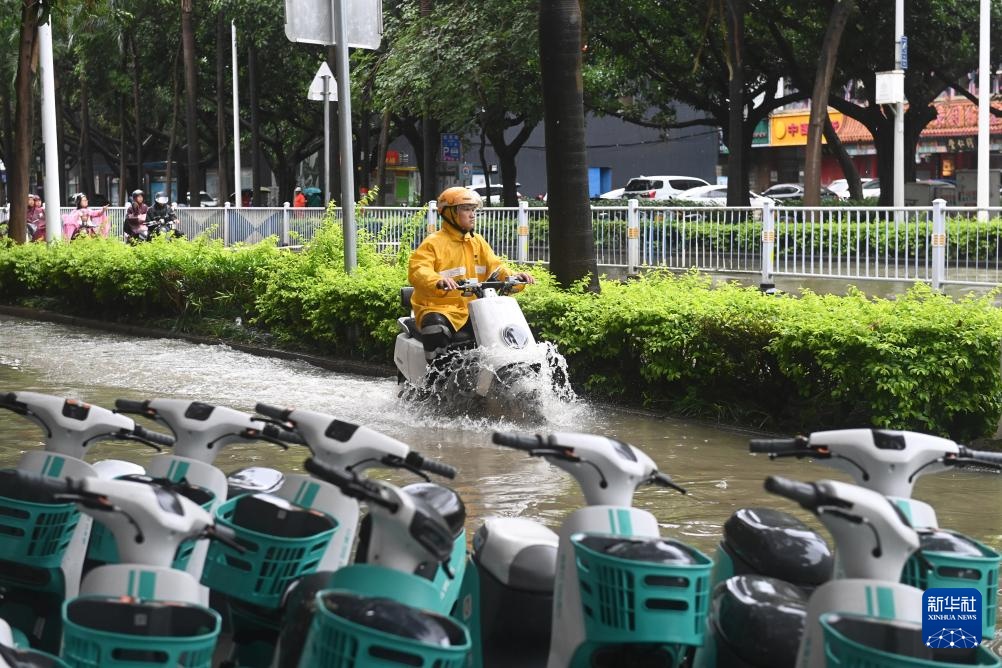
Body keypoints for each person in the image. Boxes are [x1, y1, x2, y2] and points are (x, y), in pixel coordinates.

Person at [407, 186, 534, 365]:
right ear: (450, 213)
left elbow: (496, 270)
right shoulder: (433, 243)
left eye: (473, 210)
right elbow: (419, 270)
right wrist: (437, 280)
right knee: (435, 325)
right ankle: (434, 381)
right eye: (466, 209)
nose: (472, 214)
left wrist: (516, 278)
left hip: (473, 309)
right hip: (440, 308)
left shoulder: (477, 241)